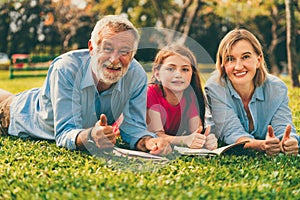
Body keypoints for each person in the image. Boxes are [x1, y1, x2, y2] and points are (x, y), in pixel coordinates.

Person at [0, 15, 171, 155]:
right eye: (107, 48)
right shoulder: (66, 68)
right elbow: (65, 133)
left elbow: (134, 127)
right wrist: (90, 136)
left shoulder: (136, 75)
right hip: (16, 114)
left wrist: (148, 141)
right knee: (7, 101)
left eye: (124, 52)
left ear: (133, 54)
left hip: (40, 99)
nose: (114, 59)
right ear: (91, 48)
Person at [204, 28, 299, 155]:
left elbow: (283, 128)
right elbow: (232, 132)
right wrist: (261, 145)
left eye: (246, 57)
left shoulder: (277, 89)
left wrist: (289, 142)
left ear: (258, 60)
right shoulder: (215, 88)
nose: (238, 66)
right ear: (223, 64)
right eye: (230, 59)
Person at [146, 44, 217, 150]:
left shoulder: (189, 96)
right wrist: (185, 140)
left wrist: (205, 139)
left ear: (192, 74)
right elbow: (156, 135)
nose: (178, 74)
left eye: (185, 69)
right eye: (170, 69)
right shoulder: (151, 92)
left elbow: (196, 131)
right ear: (157, 74)